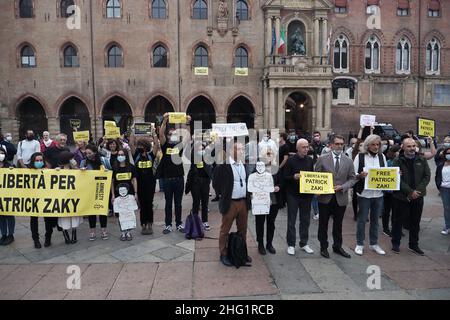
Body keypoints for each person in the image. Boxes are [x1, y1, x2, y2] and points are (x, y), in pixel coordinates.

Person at [315, 135, 356, 259]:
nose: (339, 146)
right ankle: (323, 247)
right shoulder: (322, 159)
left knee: (338, 224)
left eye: (341, 144)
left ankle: (337, 246)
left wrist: (343, 187)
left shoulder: (348, 160)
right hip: (325, 197)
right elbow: (316, 176)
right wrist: (316, 190)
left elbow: (352, 178)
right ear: (331, 145)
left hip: (340, 197)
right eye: (337, 144)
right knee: (323, 224)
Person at [213, 142, 252, 267]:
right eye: (239, 149)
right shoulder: (223, 166)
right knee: (225, 230)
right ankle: (223, 253)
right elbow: (216, 183)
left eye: (242, 149)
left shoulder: (244, 165)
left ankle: (241, 251)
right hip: (230, 203)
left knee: (243, 229)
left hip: (243, 203)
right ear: (231, 151)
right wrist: (224, 194)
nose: (242, 151)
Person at [391, 138, 431, 255]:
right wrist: (409, 191)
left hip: (418, 196)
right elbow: (397, 179)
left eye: (413, 146)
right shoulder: (397, 161)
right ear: (403, 147)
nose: (412, 148)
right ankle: (396, 243)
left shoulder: (422, 159)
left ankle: (413, 244)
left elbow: (427, 176)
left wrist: (417, 191)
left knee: (415, 221)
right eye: (408, 146)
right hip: (401, 197)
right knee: (398, 221)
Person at [353, 135, 387, 256]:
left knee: (375, 220)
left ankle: (374, 243)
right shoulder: (360, 156)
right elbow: (353, 173)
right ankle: (359, 244)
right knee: (362, 220)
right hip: (364, 194)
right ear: (367, 145)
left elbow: (386, 173)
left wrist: (395, 175)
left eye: (378, 144)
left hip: (378, 194)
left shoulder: (382, 156)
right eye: (373, 144)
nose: (376, 147)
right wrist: (360, 175)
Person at [158, 112, 191, 234]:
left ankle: (178, 224)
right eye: (170, 134)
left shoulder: (179, 146)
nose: (172, 136)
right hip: (167, 179)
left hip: (179, 179)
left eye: (174, 134)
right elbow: (160, 134)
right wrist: (165, 121)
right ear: (167, 136)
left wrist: (187, 122)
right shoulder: (165, 145)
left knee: (178, 203)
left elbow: (187, 137)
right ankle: (168, 225)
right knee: (168, 203)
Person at [283, 139, 314, 256]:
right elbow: (285, 177)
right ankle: (291, 244)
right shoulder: (290, 161)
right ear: (298, 148)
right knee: (291, 220)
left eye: (307, 147)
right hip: (293, 195)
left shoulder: (310, 160)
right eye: (304, 147)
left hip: (306, 195)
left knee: (305, 220)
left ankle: (304, 243)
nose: (306, 149)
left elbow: (312, 176)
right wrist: (293, 177)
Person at [81, 145, 112, 241]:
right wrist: (81, 171)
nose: (88, 155)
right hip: (90, 190)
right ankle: (92, 231)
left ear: (95, 152)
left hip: (102, 189)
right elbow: (79, 177)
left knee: (102, 211)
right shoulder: (84, 162)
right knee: (91, 211)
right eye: (86, 153)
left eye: (89, 153)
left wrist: (107, 171)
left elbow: (111, 172)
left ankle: (103, 230)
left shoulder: (103, 160)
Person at [255, 148, 281, 255]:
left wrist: (278, 187)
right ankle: (260, 244)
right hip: (261, 200)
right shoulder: (257, 169)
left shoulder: (277, 168)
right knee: (260, 222)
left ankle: (269, 244)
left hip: (274, 200)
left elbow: (281, 181)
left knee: (271, 223)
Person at [28, 152, 57, 248]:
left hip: (46, 199)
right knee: (34, 220)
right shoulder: (27, 172)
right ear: (33, 161)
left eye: (41, 160)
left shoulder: (48, 171)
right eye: (37, 160)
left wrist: (57, 172)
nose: (39, 162)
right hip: (33, 199)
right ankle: (35, 240)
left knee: (48, 219)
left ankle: (48, 237)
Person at [132, 136, 158, 235]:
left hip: (150, 183)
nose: (140, 147)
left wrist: (154, 133)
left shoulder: (151, 155)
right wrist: (132, 131)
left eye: (142, 145)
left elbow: (156, 145)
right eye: (139, 145)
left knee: (149, 204)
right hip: (140, 183)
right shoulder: (136, 155)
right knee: (142, 205)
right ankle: (143, 224)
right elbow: (131, 144)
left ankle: (150, 224)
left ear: (146, 146)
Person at [185, 142, 213, 230]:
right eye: (199, 149)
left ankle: (205, 221)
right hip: (195, 183)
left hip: (205, 182)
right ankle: (195, 221)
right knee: (196, 203)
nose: (201, 151)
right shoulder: (193, 158)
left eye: (203, 149)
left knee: (205, 203)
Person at [56, 151, 82, 244]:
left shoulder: (76, 170)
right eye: (71, 159)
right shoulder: (57, 170)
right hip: (62, 198)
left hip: (73, 197)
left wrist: (77, 168)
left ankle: (74, 234)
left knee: (74, 216)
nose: (73, 160)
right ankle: (66, 235)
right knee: (64, 217)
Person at [382, 145, 401, 237]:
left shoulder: (401, 161)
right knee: (387, 210)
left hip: (398, 190)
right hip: (389, 191)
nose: (399, 153)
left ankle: (395, 228)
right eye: (398, 151)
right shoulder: (389, 162)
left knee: (396, 211)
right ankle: (385, 228)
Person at [0, 148, 15, 246]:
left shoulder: (9, 166)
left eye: (2, 153)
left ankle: (11, 234)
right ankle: (4, 234)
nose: (1, 155)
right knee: (1, 215)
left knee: (9, 215)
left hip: (8, 195)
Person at [435, 147, 450, 235]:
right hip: (444, 189)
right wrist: (439, 185)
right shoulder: (441, 165)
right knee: (447, 208)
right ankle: (447, 226)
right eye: (448, 153)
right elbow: (437, 176)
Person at [351, 139, 364, 221]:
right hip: (356, 178)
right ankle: (355, 213)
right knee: (355, 197)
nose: (362, 147)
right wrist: (362, 128)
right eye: (360, 145)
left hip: (365, 179)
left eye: (363, 145)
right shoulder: (355, 154)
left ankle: (362, 212)